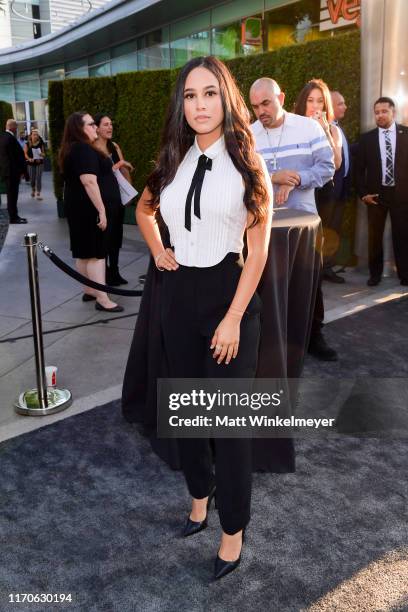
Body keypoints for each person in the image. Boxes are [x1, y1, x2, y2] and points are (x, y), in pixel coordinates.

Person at [136, 56, 273, 580]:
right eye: (190, 95)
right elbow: (145, 208)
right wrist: (157, 250)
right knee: (188, 415)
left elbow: (258, 252)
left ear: (226, 98)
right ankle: (199, 498)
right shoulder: (173, 158)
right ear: (181, 104)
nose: (199, 105)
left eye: (210, 93)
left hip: (229, 296)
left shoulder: (248, 162)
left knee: (230, 427)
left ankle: (233, 530)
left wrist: (234, 318)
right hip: (176, 296)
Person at [249, 77, 337, 361]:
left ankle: (313, 336)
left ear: (282, 97)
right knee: (267, 287)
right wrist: (273, 177)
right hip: (262, 227)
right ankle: (269, 342)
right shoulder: (249, 135)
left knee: (309, 285)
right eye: (255, 106)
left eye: (266, 103)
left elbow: (327, 168)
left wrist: (298, 178)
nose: (260, 111)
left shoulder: (308, 126)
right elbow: (243, 177)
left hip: (304, 225)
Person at [59, 112, 124, 312]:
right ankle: (102, 298)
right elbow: (89, 181)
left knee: (84, 251)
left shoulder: (73, 149)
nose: (95, 127)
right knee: (96, 253)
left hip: (78, 206)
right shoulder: (84, 150)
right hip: (88, 207)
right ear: (79, 128)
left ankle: (89, 290)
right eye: (90, 124)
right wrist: (102, 210)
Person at [294, 79, 343, 283]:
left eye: (320, 101)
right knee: (301, 237)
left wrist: (324, 132)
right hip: (298, 189)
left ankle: (316, 277)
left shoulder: (332, 129)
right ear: (303, 103)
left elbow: (337, 163)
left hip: (324, 190)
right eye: (310, 100)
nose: (315, 106)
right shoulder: (293, 127)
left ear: (325, 105)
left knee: (319, 237)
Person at [356, 96, 408, 286]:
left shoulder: (406, 134)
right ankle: (375, 275)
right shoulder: (366, 139)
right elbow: (359, 171)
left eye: (384, 111)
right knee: (375, 238)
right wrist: (363, 194)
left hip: (402, 195)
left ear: (393, 112)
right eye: (377, 112)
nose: (380, 115)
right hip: (376, 196)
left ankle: (405, 274)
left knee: (402, 235)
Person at [94, 114, 134, 286]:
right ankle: (103, 274)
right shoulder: (92, 148)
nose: (110, 127)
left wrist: (129, 193)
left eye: (111, 124)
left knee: (116, 236)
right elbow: (97, 174)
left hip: (117, 197)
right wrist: (119, 164)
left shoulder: (115, 146)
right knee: (104, 237)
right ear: (96, 128)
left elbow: (124, 171)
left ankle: (115, 271)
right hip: (101, 199)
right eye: (105, 124)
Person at [330, 90, 352, 278]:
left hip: (342, 187)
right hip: (329, 191)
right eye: (341, 103)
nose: (345, 107)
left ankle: (328, 267)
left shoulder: (337, 126)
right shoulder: (324, 129)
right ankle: (322, 270)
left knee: (334, 228)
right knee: (327, 229)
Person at [0, 119, 28, 224]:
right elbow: (15, 157)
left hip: (7, 172)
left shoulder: (2, 137)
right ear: (12, 127)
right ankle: (13, 218)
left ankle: (14, 216)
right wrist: (22, 171)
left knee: (11, 195)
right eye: (16, 127)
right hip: (12, 173)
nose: (17, 129)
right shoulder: (10, 138)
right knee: (12, 196)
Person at [24, 128, 46, 200]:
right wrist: (29, 159)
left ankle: (38, 193)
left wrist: (41, 155)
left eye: (37, 135)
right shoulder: (27, 144)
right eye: (34, 135)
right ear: (31, 136)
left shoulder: (41, 144)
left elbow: (43, 154)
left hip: (39, 163)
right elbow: (25, 154)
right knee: (32, 178)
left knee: (39, 178)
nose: (35, 136)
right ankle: (33, 189)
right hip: (31, 163)